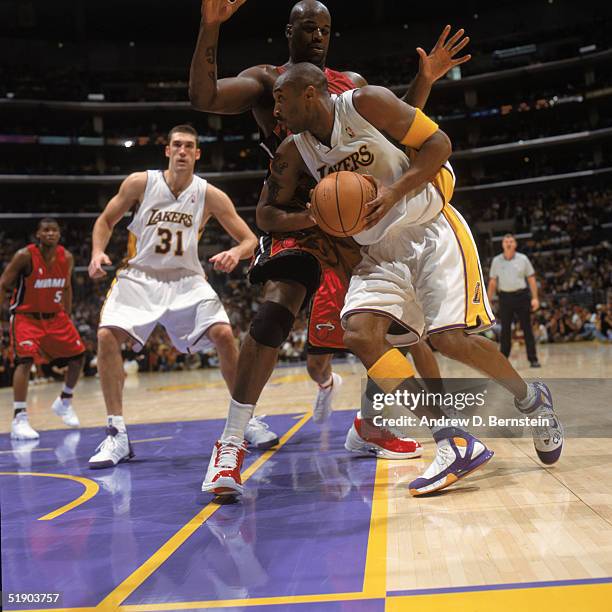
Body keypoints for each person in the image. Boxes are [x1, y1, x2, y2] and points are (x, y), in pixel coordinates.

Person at [192, 0, 471, 493]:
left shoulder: (353, 84)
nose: (317, 35)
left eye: (324, 28)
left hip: (359, 216)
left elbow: (395, 134)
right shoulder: (267, 81)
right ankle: (231, 442)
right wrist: (210, 27)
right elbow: (205, 95)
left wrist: (424, 79)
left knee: (393, 330)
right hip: (298, 214)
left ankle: (371, 426)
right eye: (307, 28)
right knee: (275, 311)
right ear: (289, 32)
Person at [256, 62, 564, 496]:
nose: (275, 109)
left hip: (427, 225)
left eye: (280, 99)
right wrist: (313, 215)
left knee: (450, 340)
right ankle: (452, 441)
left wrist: (395, 191)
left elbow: (439, 143)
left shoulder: (365, 103)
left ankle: (531, 398)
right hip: (377, 251)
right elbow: (266, 214)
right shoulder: (294, 150)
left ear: (309, 94)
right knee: (360, 334)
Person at [87, 124, 275, 469]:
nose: (183, 151)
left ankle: (244, 422)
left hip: (187, 279)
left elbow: (250, 240)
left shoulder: (209, 194)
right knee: (105, 335)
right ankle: (117, 434)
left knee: (223, 334)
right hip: (139, 276)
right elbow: (105, 220)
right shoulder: (140, 183)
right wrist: (97, 252)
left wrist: (236, 252)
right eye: (177, 145)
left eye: (190, 146)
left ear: (198, 153)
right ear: (168, 151)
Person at [0, 218, 84, 440]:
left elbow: (66, 287)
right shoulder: (24, 256)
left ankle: (64, 401)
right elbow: (4, 284)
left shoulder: (66, 258)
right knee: (24, 361)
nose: (50, 234)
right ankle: (19, 418)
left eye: (54, 230)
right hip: (26, 318)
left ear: (59, 234)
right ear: (38, 234)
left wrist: (67, 315)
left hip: (56, 317)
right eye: (45, 230)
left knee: (78, 356)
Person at [487, 234, 541, 366]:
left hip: (522, 296)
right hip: (505, 297)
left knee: (527, 328)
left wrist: (535, 298)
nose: (509, 243)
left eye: (511, 241)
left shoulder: (523, 259)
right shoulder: (496, 261)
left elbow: (531, 279)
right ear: (502, 245)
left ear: (515, 244)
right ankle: (503, 360)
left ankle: (533, 359)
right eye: (506, 241)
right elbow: (493, 282)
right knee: (505, 330)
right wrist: (488, 301)